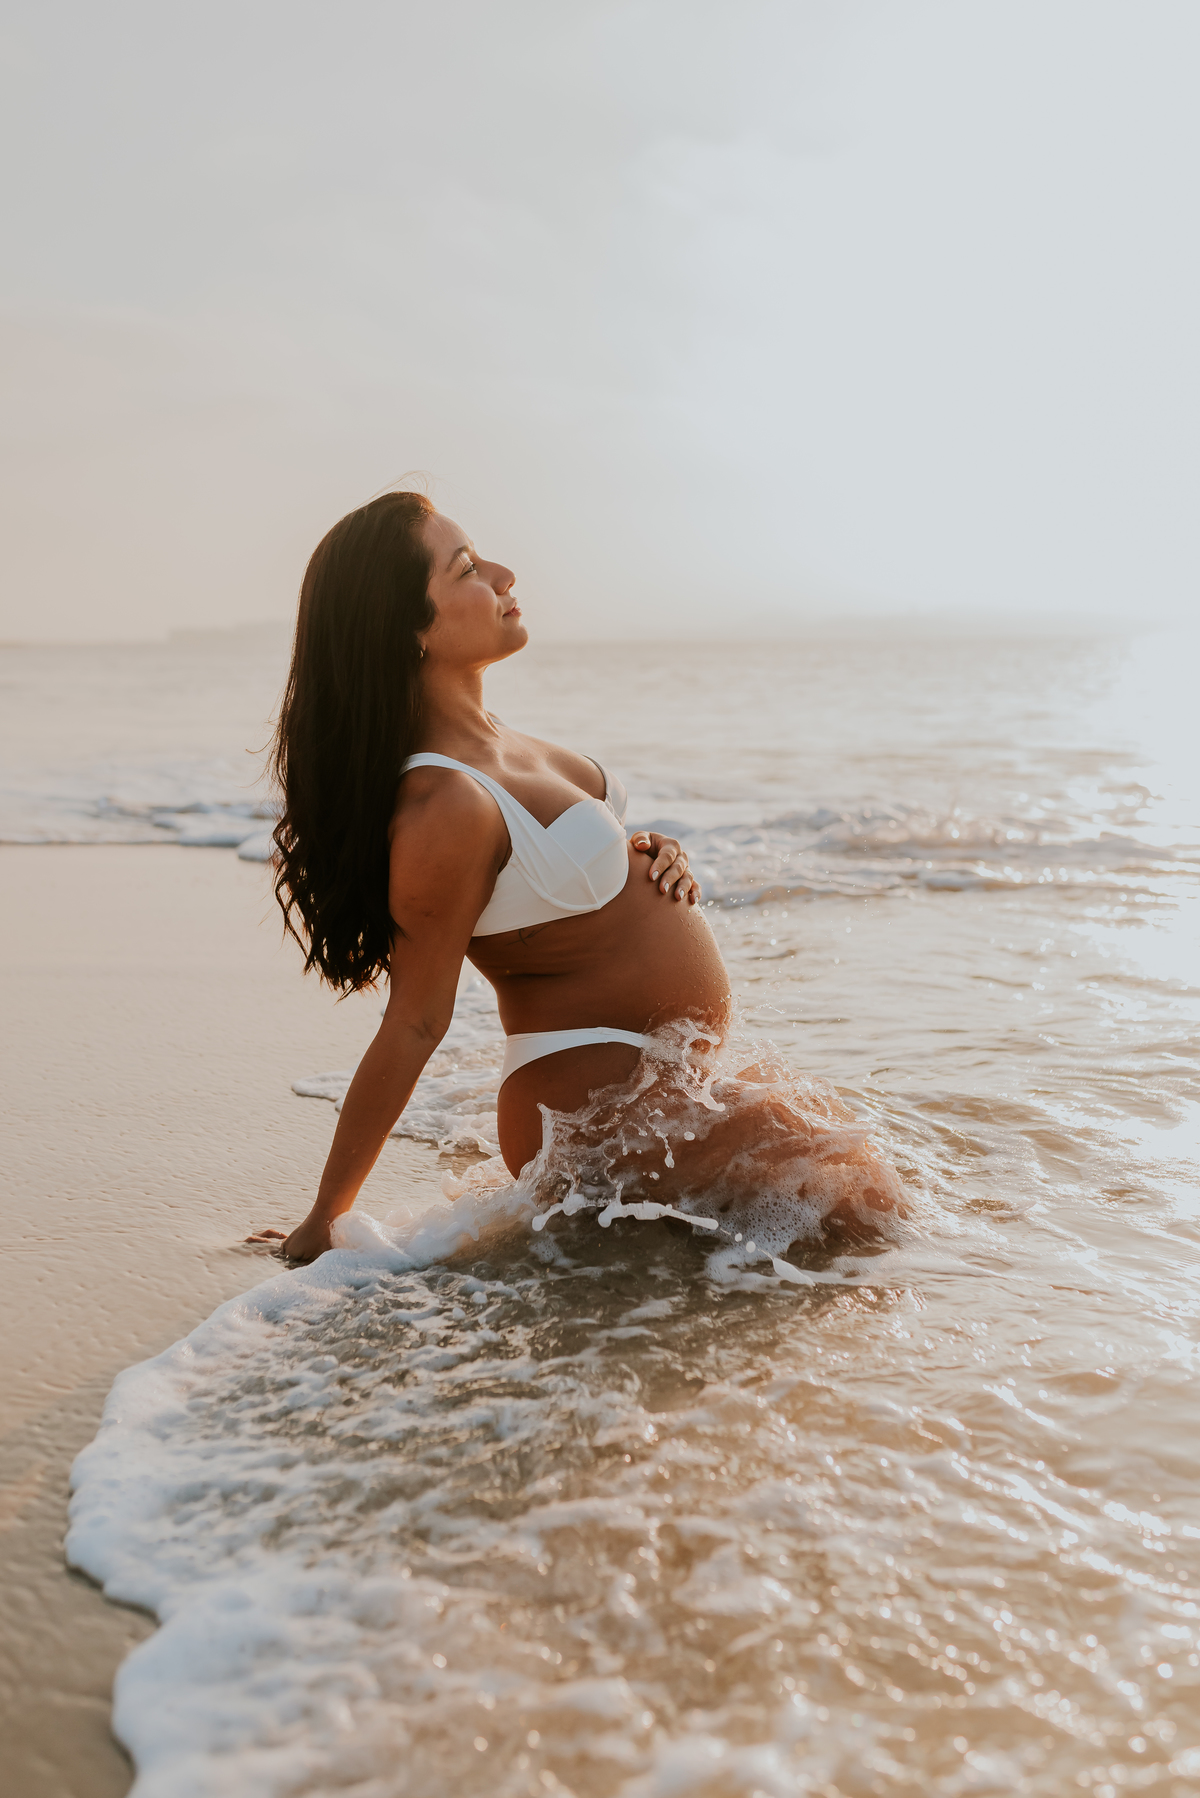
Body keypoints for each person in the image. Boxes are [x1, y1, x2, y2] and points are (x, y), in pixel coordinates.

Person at [250, 491, 902, 1263]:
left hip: (656, 1093)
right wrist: (326, 1217)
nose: (502, 572)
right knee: (866, 1208)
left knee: (855, 1202)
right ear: (408, 631)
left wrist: (650, 857)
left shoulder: (504, 748)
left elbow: (558, 891)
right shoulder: (443, 805)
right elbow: (415, 1022)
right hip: (594, 1116)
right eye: (465, 568)